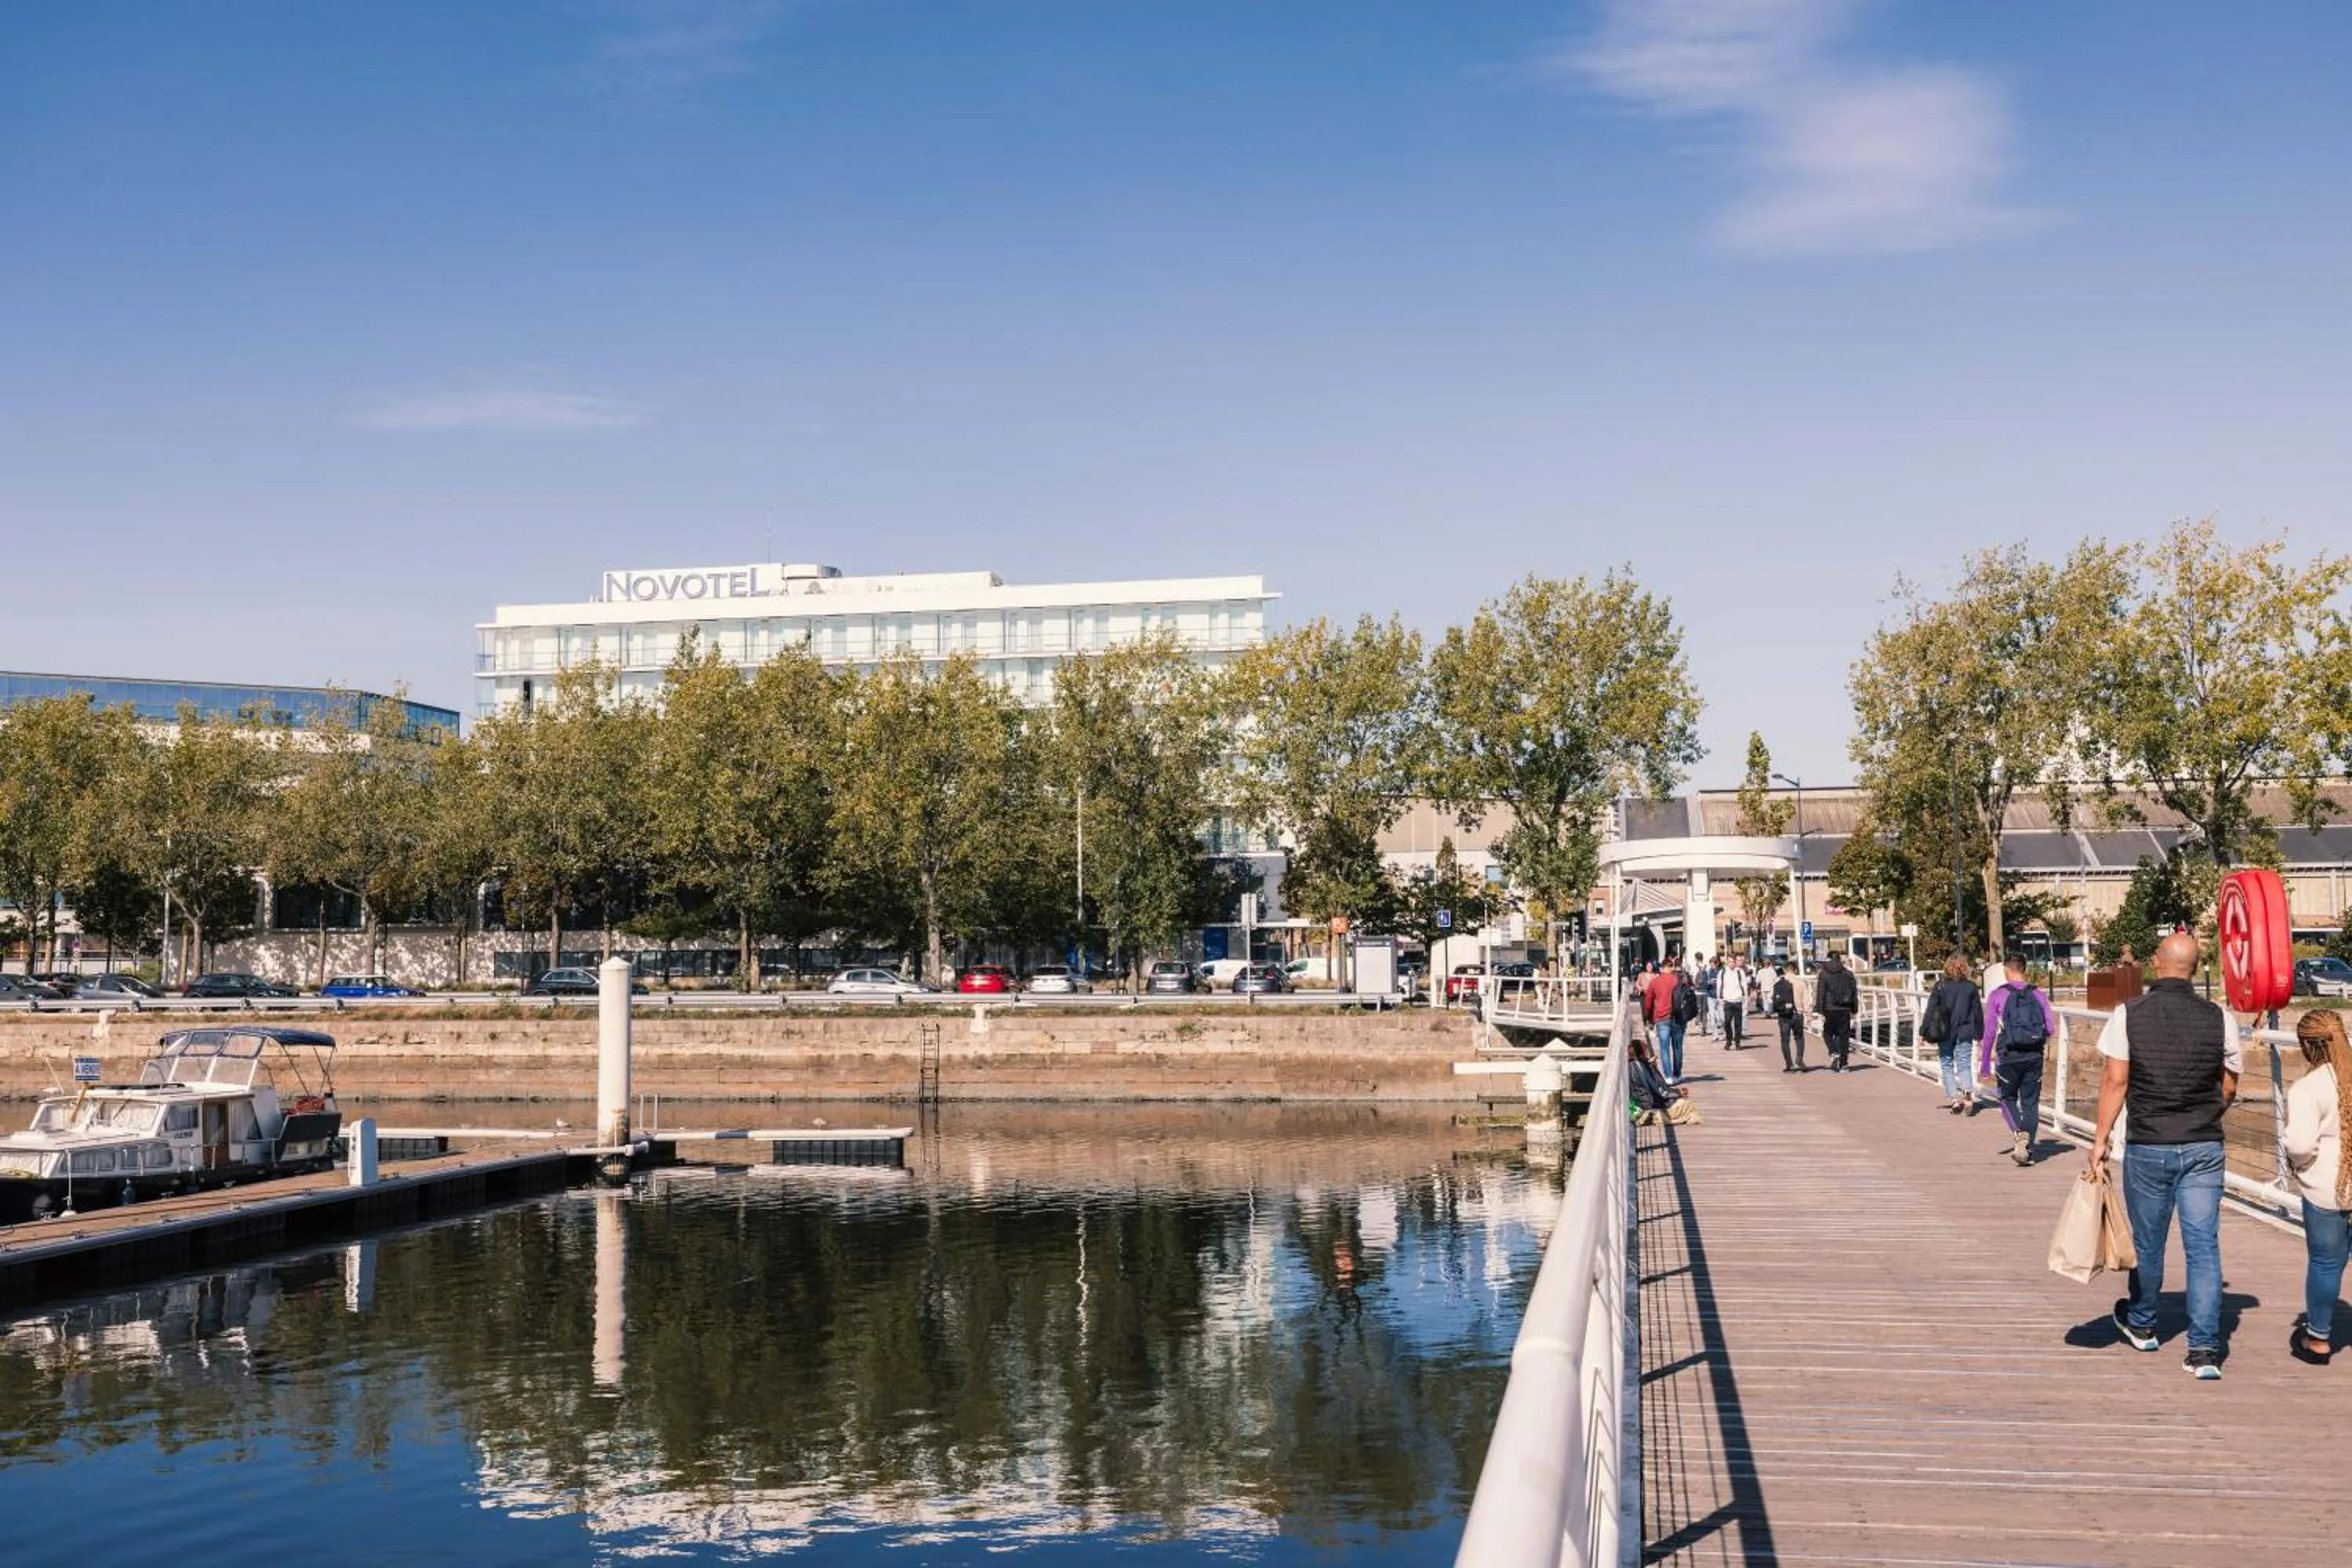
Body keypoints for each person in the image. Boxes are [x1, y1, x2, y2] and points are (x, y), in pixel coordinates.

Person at [2089, 931, 2240, 1381]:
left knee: (2149, 1243)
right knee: (2203, 1248)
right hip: (2203, 1145)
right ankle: (2205, 1350)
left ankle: (2143, 1324)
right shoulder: (2220, 1018)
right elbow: (2230, 1083)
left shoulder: (2128, 1015)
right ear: (2195, 968)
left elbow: (2116, 1081)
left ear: (2157, 964)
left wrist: (2101, 1140)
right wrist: (2211, 1111)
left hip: (2149, 1143)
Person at [2283, 1009, 2350, 1365]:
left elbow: (2298, 1145)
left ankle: (2319, 1341)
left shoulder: (2308, 1088)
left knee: (2326, 1264)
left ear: (2307, 1047)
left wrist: (2302, 1167)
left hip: (2327, 1189)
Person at [1980, 956, 2057, 1165]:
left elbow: (1989, 1032)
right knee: (2030, 1103)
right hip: (2033, 1055)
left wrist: (1985, 1062)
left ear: (2007, 970)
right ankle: (2028, 1148)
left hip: (2008, 1055)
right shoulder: (2038, 995)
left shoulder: (1997, 995)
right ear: (2025, 970)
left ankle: (2019, 1134)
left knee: (2006, 1099)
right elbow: (2050, 1028)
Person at [1918, 955, 1985, 1114]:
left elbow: (1931, 1010)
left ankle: (1954, 1100)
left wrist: (1923, 1031)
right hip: (1965, 1031)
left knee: (1947, 1063)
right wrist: (1979, 1034)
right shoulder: (1970, 987)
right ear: (1965, 968)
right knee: (1964, 1065)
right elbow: (1977, 1013)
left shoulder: (1940, 986)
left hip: (1945, 1032)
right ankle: (1968, 1093)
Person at [1815, 953, 1860, 1072]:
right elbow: (1854, 993)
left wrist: (1820, 1010)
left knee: (1827, 1033)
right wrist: (1854, 1009)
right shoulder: (1848, 974)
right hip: (1845, 1008)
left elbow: (1821, 993)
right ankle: (1844, 1065)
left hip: (1829, 1009)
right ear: (1840, 960)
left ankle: (1834, 1051)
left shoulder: (1824, 974)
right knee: (1844, 1037)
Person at [1642, 960, 1684, 1085]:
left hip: (1661, 1018)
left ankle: (1669, 1077)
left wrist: (1648, 1019)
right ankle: (1677, 1074)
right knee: (1677, 1047)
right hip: (1678, 1018)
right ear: (1671, 968)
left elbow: (1648, 1003)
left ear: (1661, 968)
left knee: (1664, 1048)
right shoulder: (1679, 980)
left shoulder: (1655, 982)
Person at [1772, 963, 1805, 1072]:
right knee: (1799, 1037)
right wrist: (1809, 1014)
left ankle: (1789, 1064)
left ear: (1785, 970)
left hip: (1784, 1015)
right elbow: (1807, 1000)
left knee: (1785, 1040)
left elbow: (1774, 998)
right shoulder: (1801, 983)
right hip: (1798, 1013)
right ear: (1795, 970)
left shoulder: (1778, 982)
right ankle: (1799, 1058)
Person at [1721, 954, 1748, 1050]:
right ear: (1727, 962)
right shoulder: (1723, 972)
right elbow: (1719, 986)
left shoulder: (1740, 972)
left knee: (1738, 1023)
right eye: (1730, 962)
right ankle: (1729, 1040)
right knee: (1727, 1022)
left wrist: (1745, 1001)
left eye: (1733, 962)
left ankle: (1737, 1042)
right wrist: (1720, 999)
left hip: (1738, 1000)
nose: (1732, 964)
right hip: (1727, 1001)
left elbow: (1745, 987)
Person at [1703, 955, 1724, 1039]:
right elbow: (1704, 984)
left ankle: (1722, 1032)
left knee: (1722, 1017)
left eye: (1713, 965)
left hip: (1720, 996)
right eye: (1711, 964)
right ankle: (1714, 1034)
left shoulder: (1722, 972)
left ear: (1717, 963)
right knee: (1712, 1016)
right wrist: (1708, 982)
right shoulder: (1708, 972)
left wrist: (1718, 982)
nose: (1712, 966)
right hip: (1710, 996)